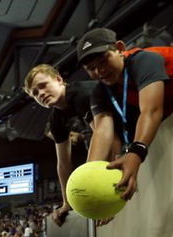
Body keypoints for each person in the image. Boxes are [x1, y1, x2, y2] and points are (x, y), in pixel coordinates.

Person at [77, 27, 173, 201]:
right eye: (91, 68)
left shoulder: (144, 60)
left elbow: (151, 111)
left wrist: (136, 153)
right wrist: (92, 182)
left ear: (120, 49)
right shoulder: (101, 92)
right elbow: (102, 133)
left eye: (103, 60)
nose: (100, 71)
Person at [24, 64, 101, 226]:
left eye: (43, 86)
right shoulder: (55, 120)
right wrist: (67, 202)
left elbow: (105, 135)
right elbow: (63, 164)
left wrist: (96, 187)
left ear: (59, 79)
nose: (41, 94)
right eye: (35, 94)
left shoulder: (82, 95)